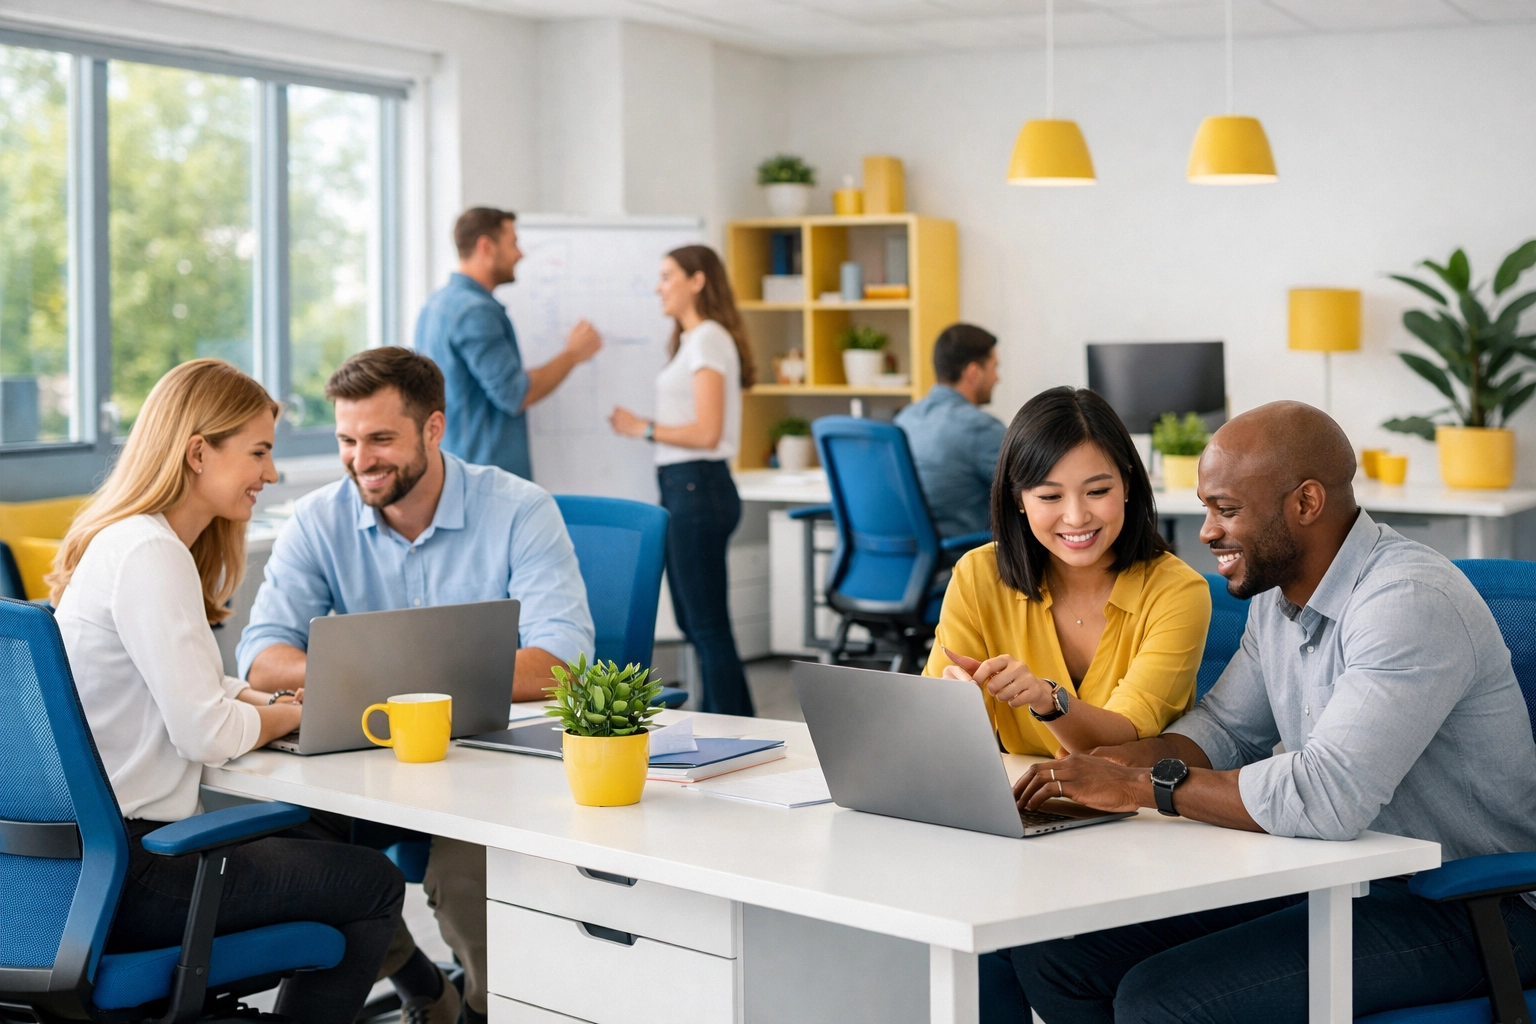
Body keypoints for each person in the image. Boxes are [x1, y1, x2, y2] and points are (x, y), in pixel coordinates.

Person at [1008, 401, 1536, 1023]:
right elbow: (1224, 731)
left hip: (1468, 903)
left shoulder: (1407, 602)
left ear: (1306, 503)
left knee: (1161, 1000)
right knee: (1058, 959)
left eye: (1226, 510)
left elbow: (1327, 794)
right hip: (1342, 874)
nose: (1206, 532)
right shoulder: (1279, 598)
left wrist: (1137, 787)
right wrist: (1103, 769)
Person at [237, 347, 595, 1024]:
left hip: (488, 761)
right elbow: (262, 659)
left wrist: (382, 678)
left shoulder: (519, 509)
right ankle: (421, 984)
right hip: (367, 762)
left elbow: (562, 661)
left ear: (432, 430)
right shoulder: (320, 519)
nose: (361, 460)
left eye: (380, 439)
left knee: (468, 880)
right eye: (347, 440)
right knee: (277, 850)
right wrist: (392, 683)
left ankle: (488, 1011)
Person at [48, 359, 405, 1024]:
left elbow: (192, 689)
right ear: (197, 451)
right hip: (131, 874)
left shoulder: (124, 543)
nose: (271, 475)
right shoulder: (152, 554)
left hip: (69, 876)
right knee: (372, 883)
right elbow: (205, 732)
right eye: (260, 452)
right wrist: (291, 713)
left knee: (325, 853)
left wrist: (265, 705)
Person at [927, 385, 1210, 758]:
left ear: (1127, 486)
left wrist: (1048, 700)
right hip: (1023, 799)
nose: (1076, 517)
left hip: (1135, 809)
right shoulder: (978, 575)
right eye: (1049, 496)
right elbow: (931, 733)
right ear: (1019, 501)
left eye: (1097, 491)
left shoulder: (1178, 592)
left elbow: (1121, 746)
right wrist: (953, 710)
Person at [608, 245, 756, 716]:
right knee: (699, 624)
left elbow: (707, 431)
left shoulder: (709, 337)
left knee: (707, 625)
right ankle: (729, 719)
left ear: (697, 280)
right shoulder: (693, 340)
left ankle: (734, 726)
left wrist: (643, 428)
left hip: (698, 486)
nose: (659, 286)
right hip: (685, 488)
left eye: (668, 275)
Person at [415, 206, 603, 480]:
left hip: (451, 468)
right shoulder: (475, 312)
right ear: (486, 247)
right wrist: (573, 354)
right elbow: (516, 394)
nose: (520, 254)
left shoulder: (436, 305)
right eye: (513, 243)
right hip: (483, 478)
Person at [894, 323, 1006, 539]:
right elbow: (1032, 487)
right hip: (959, 556)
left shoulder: (904, 419)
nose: (997, 378)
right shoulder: (979, 428)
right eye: (994, 368)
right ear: (974, 372)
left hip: (909, 555)